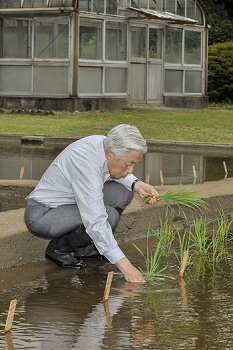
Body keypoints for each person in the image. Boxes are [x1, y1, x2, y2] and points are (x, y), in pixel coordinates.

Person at [24, 124, 159, 283]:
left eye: (135, 164)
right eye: (128, 163)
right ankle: (58, 249)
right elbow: (96, 220)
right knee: (108, 216)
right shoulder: (85, 163)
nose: (131, 170)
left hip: (70, 204)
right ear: (110, 153)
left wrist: (136, 184)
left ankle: (88, 247)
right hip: (43, 214)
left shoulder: (105, 144)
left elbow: (115, 172)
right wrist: (127, 268)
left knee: (124, 191)